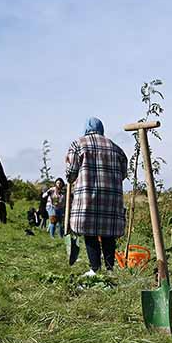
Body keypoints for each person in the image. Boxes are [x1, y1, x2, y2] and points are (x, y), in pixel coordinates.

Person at [65, 117, 128, 276]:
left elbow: (71, 174)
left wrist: (70, 173)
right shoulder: (116, 148)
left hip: (88, 196)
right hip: (111, 199)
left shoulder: (78, 145)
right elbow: (123, 173)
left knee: (90, 231)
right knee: (108, 233)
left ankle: (95, 268)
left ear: (86, 129)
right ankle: (110, 268)